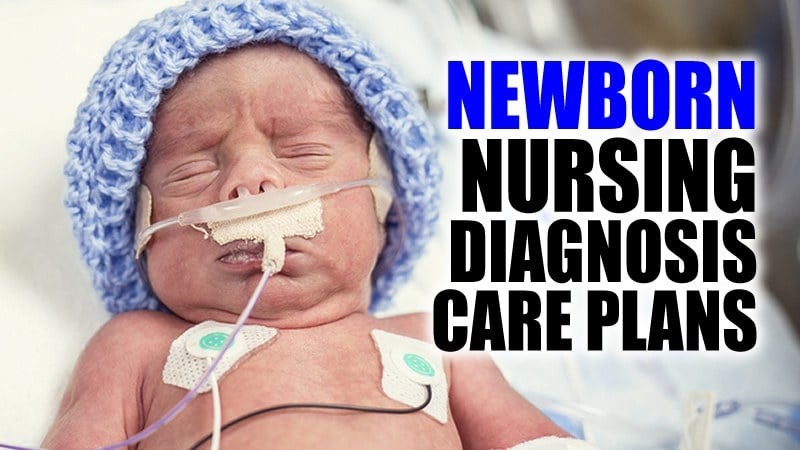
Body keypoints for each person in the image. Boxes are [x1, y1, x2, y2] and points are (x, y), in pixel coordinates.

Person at [45, 1, 596, 448]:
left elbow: (531, 440)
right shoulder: (137, 346)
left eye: (303, 151)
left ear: (382, 200)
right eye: (192, 168)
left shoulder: (436, 340)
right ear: (140, 227)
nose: (251, 181)